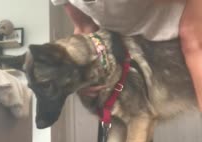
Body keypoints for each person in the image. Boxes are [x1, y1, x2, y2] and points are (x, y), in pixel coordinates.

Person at [51, 0, 202, 112]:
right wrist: (81, 79)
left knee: (192, 42)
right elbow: (85, 27)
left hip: (181, 9)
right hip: (140, 32)